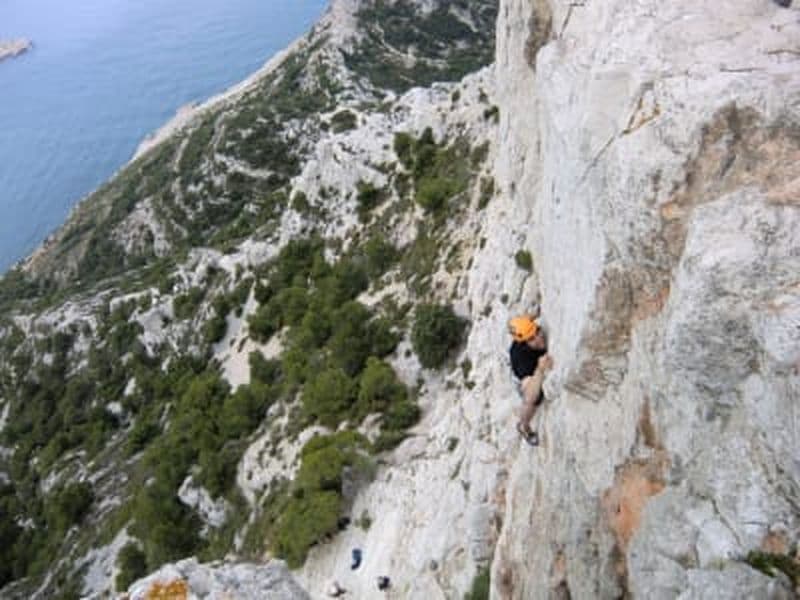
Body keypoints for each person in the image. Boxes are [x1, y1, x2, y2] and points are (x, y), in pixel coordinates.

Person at [508, 314, 553, 446]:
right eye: (532, 339)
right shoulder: (522, 359)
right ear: (525, 344)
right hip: (525, 376)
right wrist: (539, 370)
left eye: (537, 332)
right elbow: (529, 395)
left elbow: (526, 320)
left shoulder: (527, 326)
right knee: (535, 399)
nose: (539, 338)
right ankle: (523, 426)